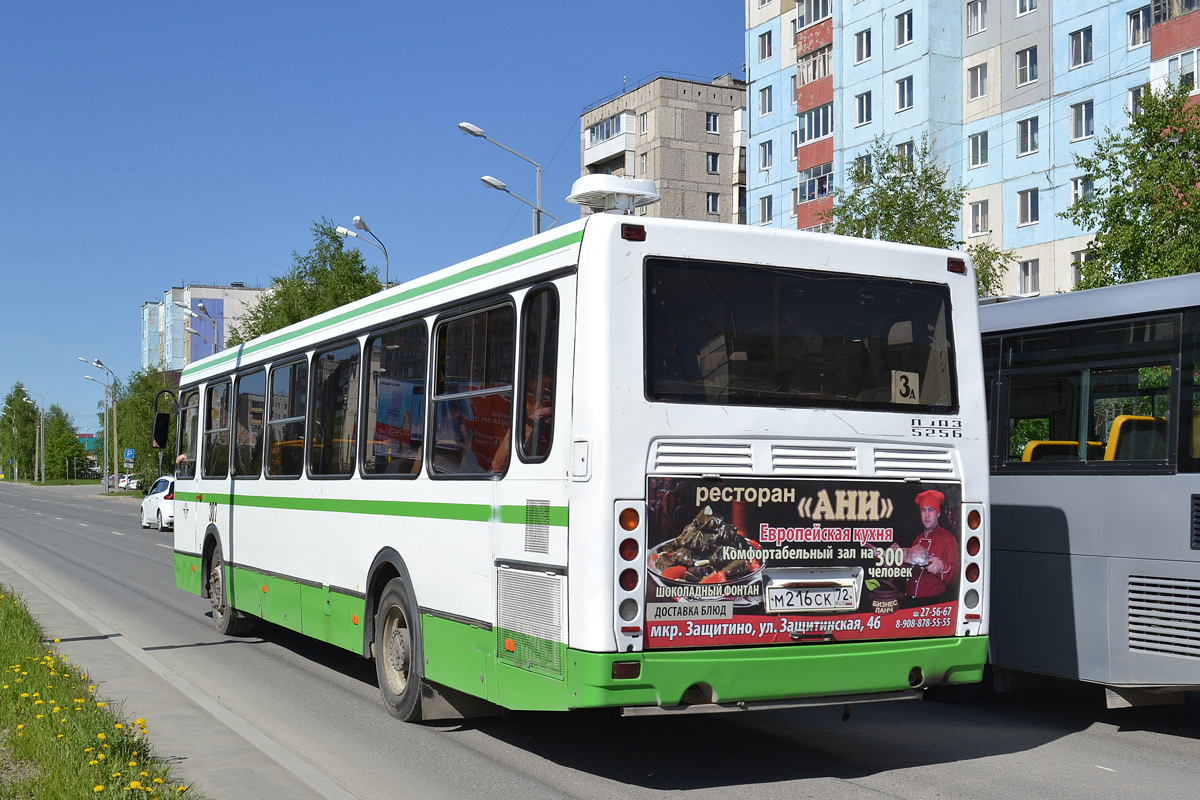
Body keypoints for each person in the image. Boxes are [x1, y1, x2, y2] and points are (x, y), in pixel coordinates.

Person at [902, 489, 959, 599]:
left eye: (931, 510)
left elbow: (955, 575)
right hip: (910, 599)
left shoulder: (947, 538)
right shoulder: (917, 539)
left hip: (933, 603)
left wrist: (942, 566)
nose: (926, 515)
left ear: (938, 513)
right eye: (923, 510)